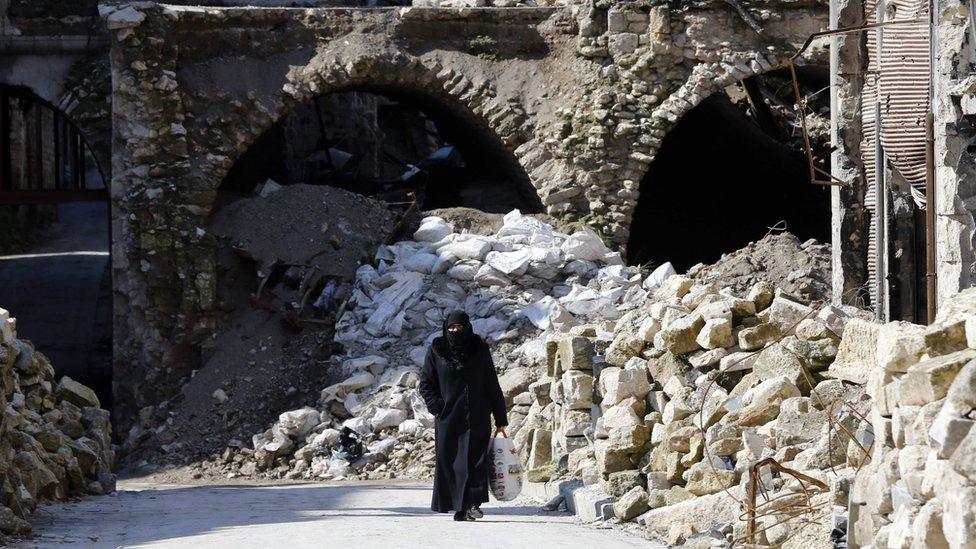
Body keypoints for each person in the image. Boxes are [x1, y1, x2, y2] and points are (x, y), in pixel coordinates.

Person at [419, 310, 509, 521]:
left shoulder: (479, 349)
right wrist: (438, 406)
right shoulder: (436, 350)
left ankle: (472, 504)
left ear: (467, 327)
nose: (454, 331)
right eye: (451, 328)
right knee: (450, 461)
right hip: (448, 417)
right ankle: (459, 506)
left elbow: (491, 384)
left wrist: (500, 418)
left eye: (459, 328)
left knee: (475, 461)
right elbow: (426, 385)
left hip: (477, 415)